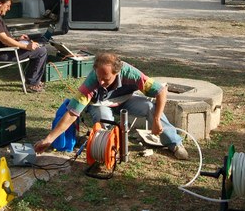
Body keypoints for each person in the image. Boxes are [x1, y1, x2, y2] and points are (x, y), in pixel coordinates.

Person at [34, 52, 189, 160]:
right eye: (98, 76)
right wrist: (48, 139)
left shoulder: (132, 74)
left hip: (125, 100)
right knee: (105, 117)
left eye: (105, 78)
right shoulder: (91, 82)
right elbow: (72, 113)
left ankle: (174, 143)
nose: (100, 82)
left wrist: (156, 120)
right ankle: (108, 150)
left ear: (118, 72)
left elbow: (161, 91)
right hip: (100, 104)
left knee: (149, 106)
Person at [0, 0, 48, 93]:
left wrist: (18, 39)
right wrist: (25, 46)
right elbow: (4, 39)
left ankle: (32, 81)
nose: (9, 9)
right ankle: (32, 84)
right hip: (2, 53)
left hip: (6, 49)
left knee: (38, 46)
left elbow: (3, 38)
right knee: (41, 51)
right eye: (7, 6)